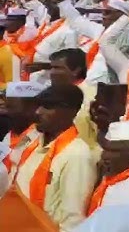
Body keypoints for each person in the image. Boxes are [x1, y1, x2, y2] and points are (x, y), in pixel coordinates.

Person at [14, 84, 97, 230]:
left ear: (70, 112)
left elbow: (73, 219)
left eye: (47, 107)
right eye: (39, 106)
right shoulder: (33, 142)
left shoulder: (77, 155)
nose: (38, 112)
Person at [49, 48, 99, 148]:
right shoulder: (51, 96)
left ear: (76, 70)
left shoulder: (93, 96)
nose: (51, 73)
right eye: (51, 68)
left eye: (57, 68)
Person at [0, 81, 41, 177]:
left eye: (12, 108)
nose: (7, 112)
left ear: (32, 108)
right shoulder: (9, 135)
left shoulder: (41, 139)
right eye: (6, 107)